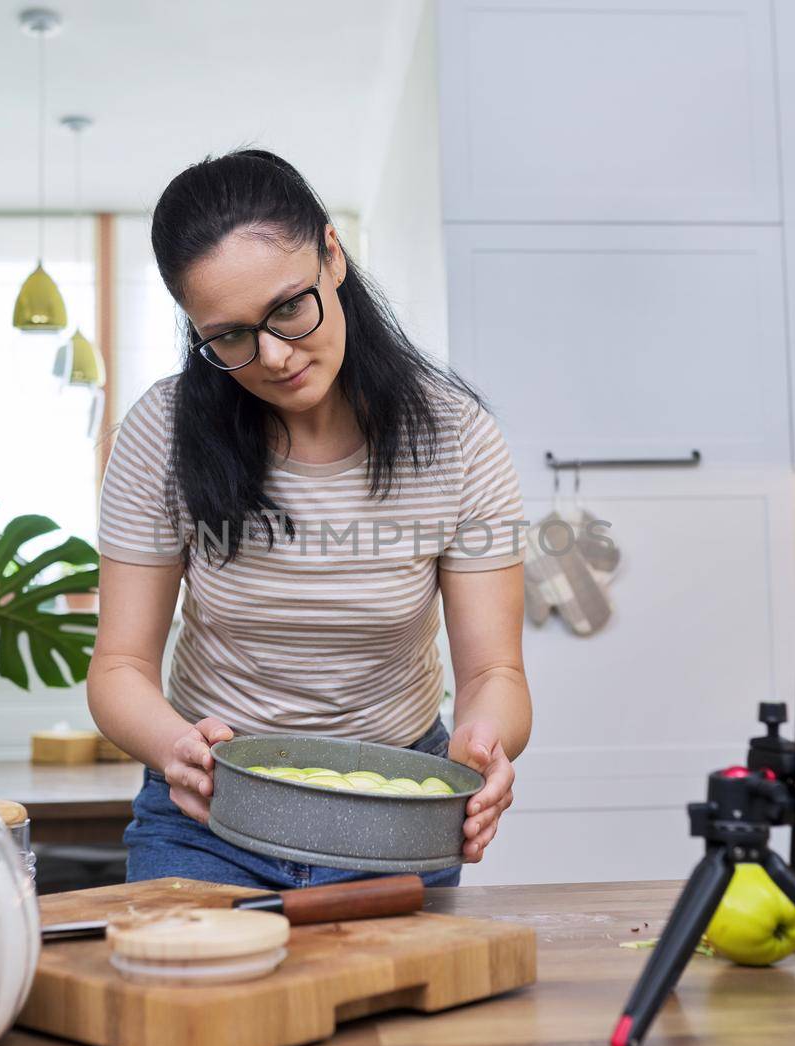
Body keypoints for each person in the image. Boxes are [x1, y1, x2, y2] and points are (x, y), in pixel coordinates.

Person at [87, 149, 531, 889]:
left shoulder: (458, 437)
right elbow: (120, 668)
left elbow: (494, 670)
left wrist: (484, 743)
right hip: (211, 816)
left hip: (390, 817)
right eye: (229, 335)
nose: (273, 355)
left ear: (332, 255)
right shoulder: (163, 432)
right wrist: (176, 747)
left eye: (289, 306)